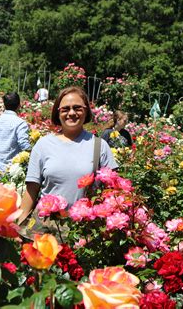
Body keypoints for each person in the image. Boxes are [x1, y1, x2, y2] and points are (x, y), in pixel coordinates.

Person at [18, 86, 118, 226]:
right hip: (48, 228)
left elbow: (113, 191)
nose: (71, 113)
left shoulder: (99, 146)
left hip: (85, 231)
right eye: (65, 109)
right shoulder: (43, 145)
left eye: (77, 108)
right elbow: (31, 190)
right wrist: (19, 225)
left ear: (86, 111)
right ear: (58, 113)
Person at [0, 92, 31, 180]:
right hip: (14, 174)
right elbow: (24, 145)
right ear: (19, 105)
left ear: (4, 105)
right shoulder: (20, 123)